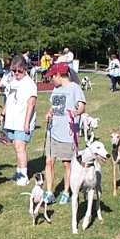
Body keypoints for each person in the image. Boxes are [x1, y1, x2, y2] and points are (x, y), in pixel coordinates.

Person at [43, 62, 86, 205]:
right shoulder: (56, 89)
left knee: (67, 164)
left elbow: (81, 106)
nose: (51, 80)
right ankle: (49, 192)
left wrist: (76, 112)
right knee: (49, 161)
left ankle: (67, 191)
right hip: (52, 131)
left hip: (67, 133)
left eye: (52, 77)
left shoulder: (74, 88)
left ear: (58, 75)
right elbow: (53, 107)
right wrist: (49, 113)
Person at [0, 56, 38, 186]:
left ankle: (24, 175)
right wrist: (3, 112)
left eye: (19, 71)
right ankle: (19, 170)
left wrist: (26, 123)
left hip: (22, 120)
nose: (16, 74)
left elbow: (31, 104)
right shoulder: (13, 81)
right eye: (14, 71)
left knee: (21, 147)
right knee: (16, 146)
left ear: (25, 69)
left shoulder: (30, 83)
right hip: (11, 120)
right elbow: (9, 99)